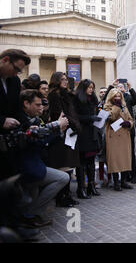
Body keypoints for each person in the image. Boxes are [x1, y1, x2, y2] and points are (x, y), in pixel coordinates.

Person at [15, 89, 70, 229]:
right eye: (37, 104)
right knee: (62, 178)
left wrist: (58, 129)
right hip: (26, 168)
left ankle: (30, 216)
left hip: (35, 166)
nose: (41, 107)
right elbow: (38, 142)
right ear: (26, 104)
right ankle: (30, 214)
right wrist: (57, 127)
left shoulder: (33, 119)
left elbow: (44, 140)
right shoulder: (20, 120)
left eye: (42, 105)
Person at [46, 72, 82, 207]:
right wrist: (74, 124)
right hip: (61, 133)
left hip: (70, 132)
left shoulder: (66, 95)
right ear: (56, 81)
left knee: (69, 164)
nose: (65, 82)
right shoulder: (54, 95)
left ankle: (67, 195)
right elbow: (59, 114)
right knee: (62, 164)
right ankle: (61, 197)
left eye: (66, 79)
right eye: (62, 79)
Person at [0, 49, 31, 181]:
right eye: (16, 69)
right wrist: (1, 121)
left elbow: (17, 109)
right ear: (5, 60)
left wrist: (29, 125)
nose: (17, 73)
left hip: (6, 145)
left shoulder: (14, 81)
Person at [74, 79, 102, 198]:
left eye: (92, 88)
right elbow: (76, 116)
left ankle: (91, 186)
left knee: (91, 161)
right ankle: (81, 188)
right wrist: (90, 118)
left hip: (93, 133)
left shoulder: (93, 99)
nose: (91, 90)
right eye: (89, 87)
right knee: (81, 162)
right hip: (82, 133)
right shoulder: (77, 99)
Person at [103, 88, 134, 191]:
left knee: (125, 159)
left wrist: (128, 123)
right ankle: (116, 182)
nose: (117, 98)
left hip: (124, 135)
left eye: (119, 96)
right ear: (111, 97)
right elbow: (111, 117)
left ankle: (124, 181)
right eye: (115, 96)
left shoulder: (124, 106)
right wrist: (116, 106)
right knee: (115, 160)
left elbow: (130, 119)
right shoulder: (107, 107)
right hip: (113, 136)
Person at [117, 81, 136, 183]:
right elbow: (104, 102)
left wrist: (130, 88)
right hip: (118, 130)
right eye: (118, 87)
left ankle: (133, 175)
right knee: (122, 154)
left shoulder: (128, 97)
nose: (120, 88)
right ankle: (124, 176)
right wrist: (112, 87)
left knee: (131, 153)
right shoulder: (114, 100)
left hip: (129, 129)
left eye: (122, 87)